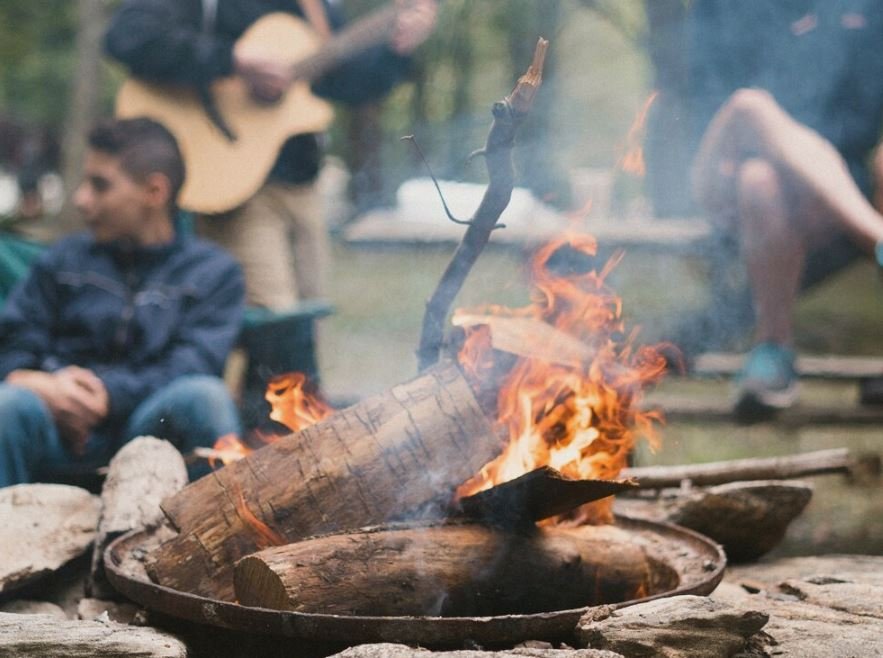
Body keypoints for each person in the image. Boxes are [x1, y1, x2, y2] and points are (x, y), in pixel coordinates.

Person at [103, 0, 437, 310]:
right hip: (233, 185)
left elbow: (344, 83)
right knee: (272, 321)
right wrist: (230, 59)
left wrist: (397, 50)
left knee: (308, 319)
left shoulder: (314, 6)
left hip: (302, 187)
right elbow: (129, 35)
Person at [0, 117, 245, 486]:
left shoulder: (214, 273)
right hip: (54, 430)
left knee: (205, 397)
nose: (82, 199)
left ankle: (222, 538)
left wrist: (108, 395)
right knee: (10, 404)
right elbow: (15, 340)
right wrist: (43, 385)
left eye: (100, 186)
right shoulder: (62, 260)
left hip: (147, 432)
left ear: (154, 192)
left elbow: (194, 363)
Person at [686, 0, 883, 421]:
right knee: (752, 108)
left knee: (764, 181)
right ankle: (877, 237)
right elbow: (724, 107)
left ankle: (772, 353)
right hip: (722, 171)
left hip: (809, 188)